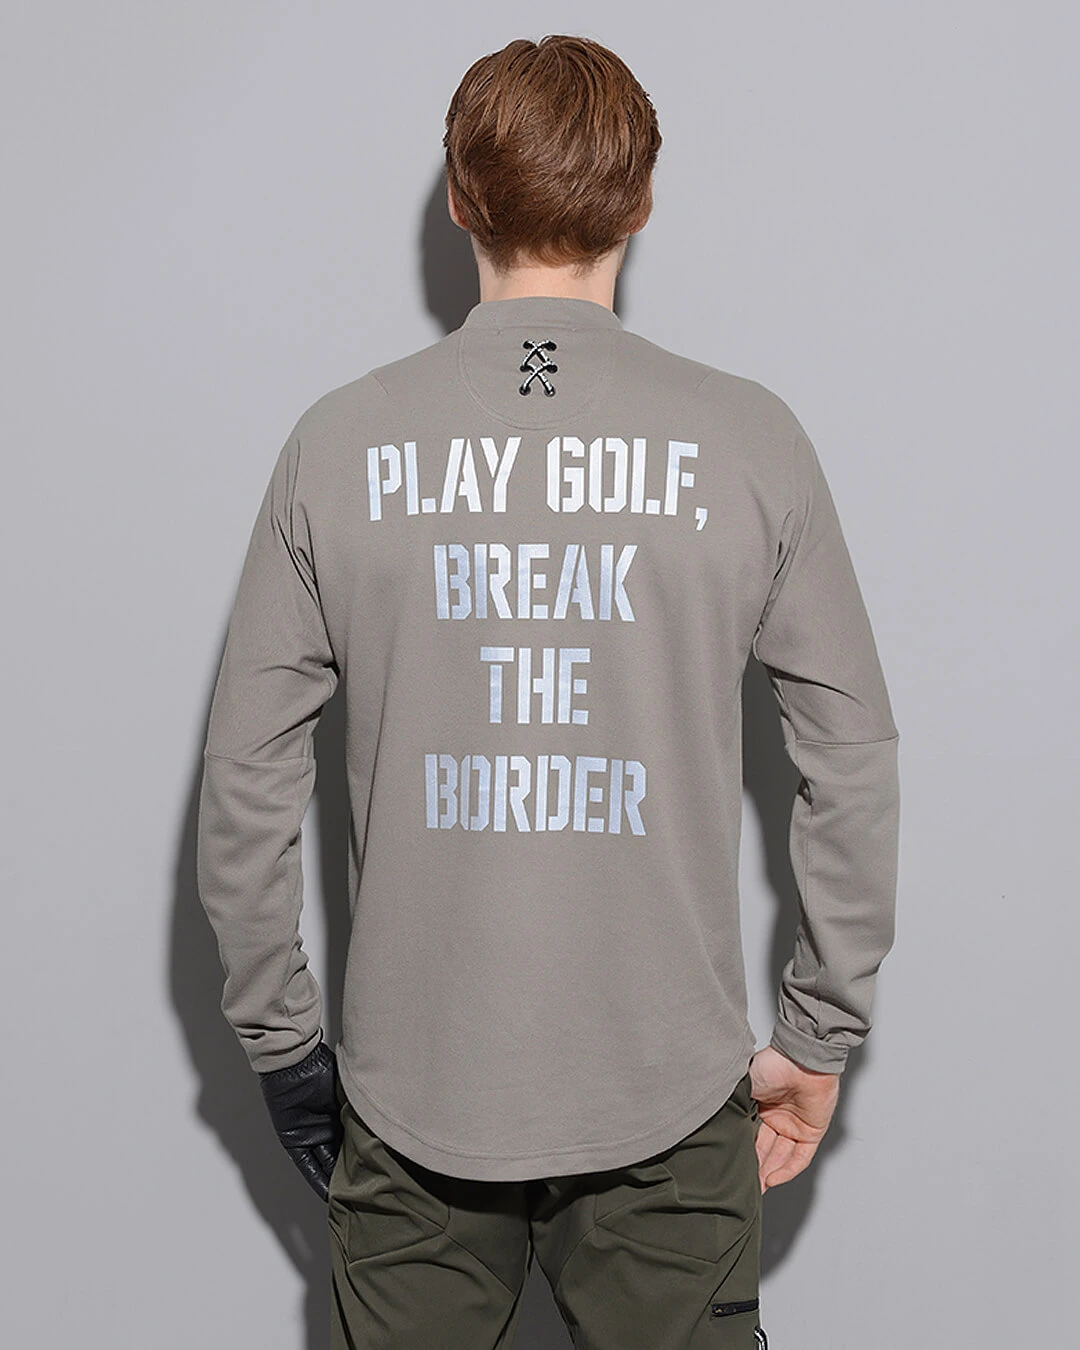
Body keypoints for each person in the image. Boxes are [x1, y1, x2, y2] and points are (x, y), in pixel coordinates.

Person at [196, 32, 900, 1350]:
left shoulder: (337, 447)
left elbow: (247, 779)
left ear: (461, 198)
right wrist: (821, 1029)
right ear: (642, 199)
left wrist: (282, 1044)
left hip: (412, 1099)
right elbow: (849, 756)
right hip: (669, 1099)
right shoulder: (750, 442)